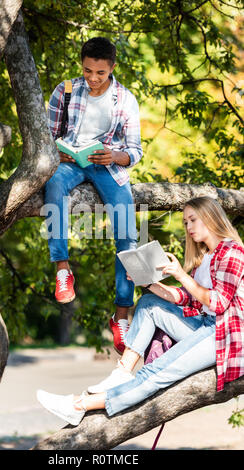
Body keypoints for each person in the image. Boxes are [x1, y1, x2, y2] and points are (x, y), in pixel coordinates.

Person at [37, 196, 244, 426]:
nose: (188, 227)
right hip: (204, 325)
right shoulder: (206, 257)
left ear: (210, 217)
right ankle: (122, 372)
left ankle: (79, 405)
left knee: (156, 372)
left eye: (192, 220)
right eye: (185, 222)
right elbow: (189, 299)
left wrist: (180, 275)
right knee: (148, 303)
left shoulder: (232, 252)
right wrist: (147, 283)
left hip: (222, 335)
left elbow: (218, 303)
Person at [43, 37, 143, 352]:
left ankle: (122, 316)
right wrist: (59, 154)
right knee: (54, 186)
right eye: (88, 70)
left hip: (108, 167)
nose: (93, 78)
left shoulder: (125, 100)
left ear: (112, 68)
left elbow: (135, 151)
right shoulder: (66, 90)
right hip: (70, 163)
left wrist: (114, 156)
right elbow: (47, 137)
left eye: (100, 72)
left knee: (127, 232)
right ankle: (62, 269)